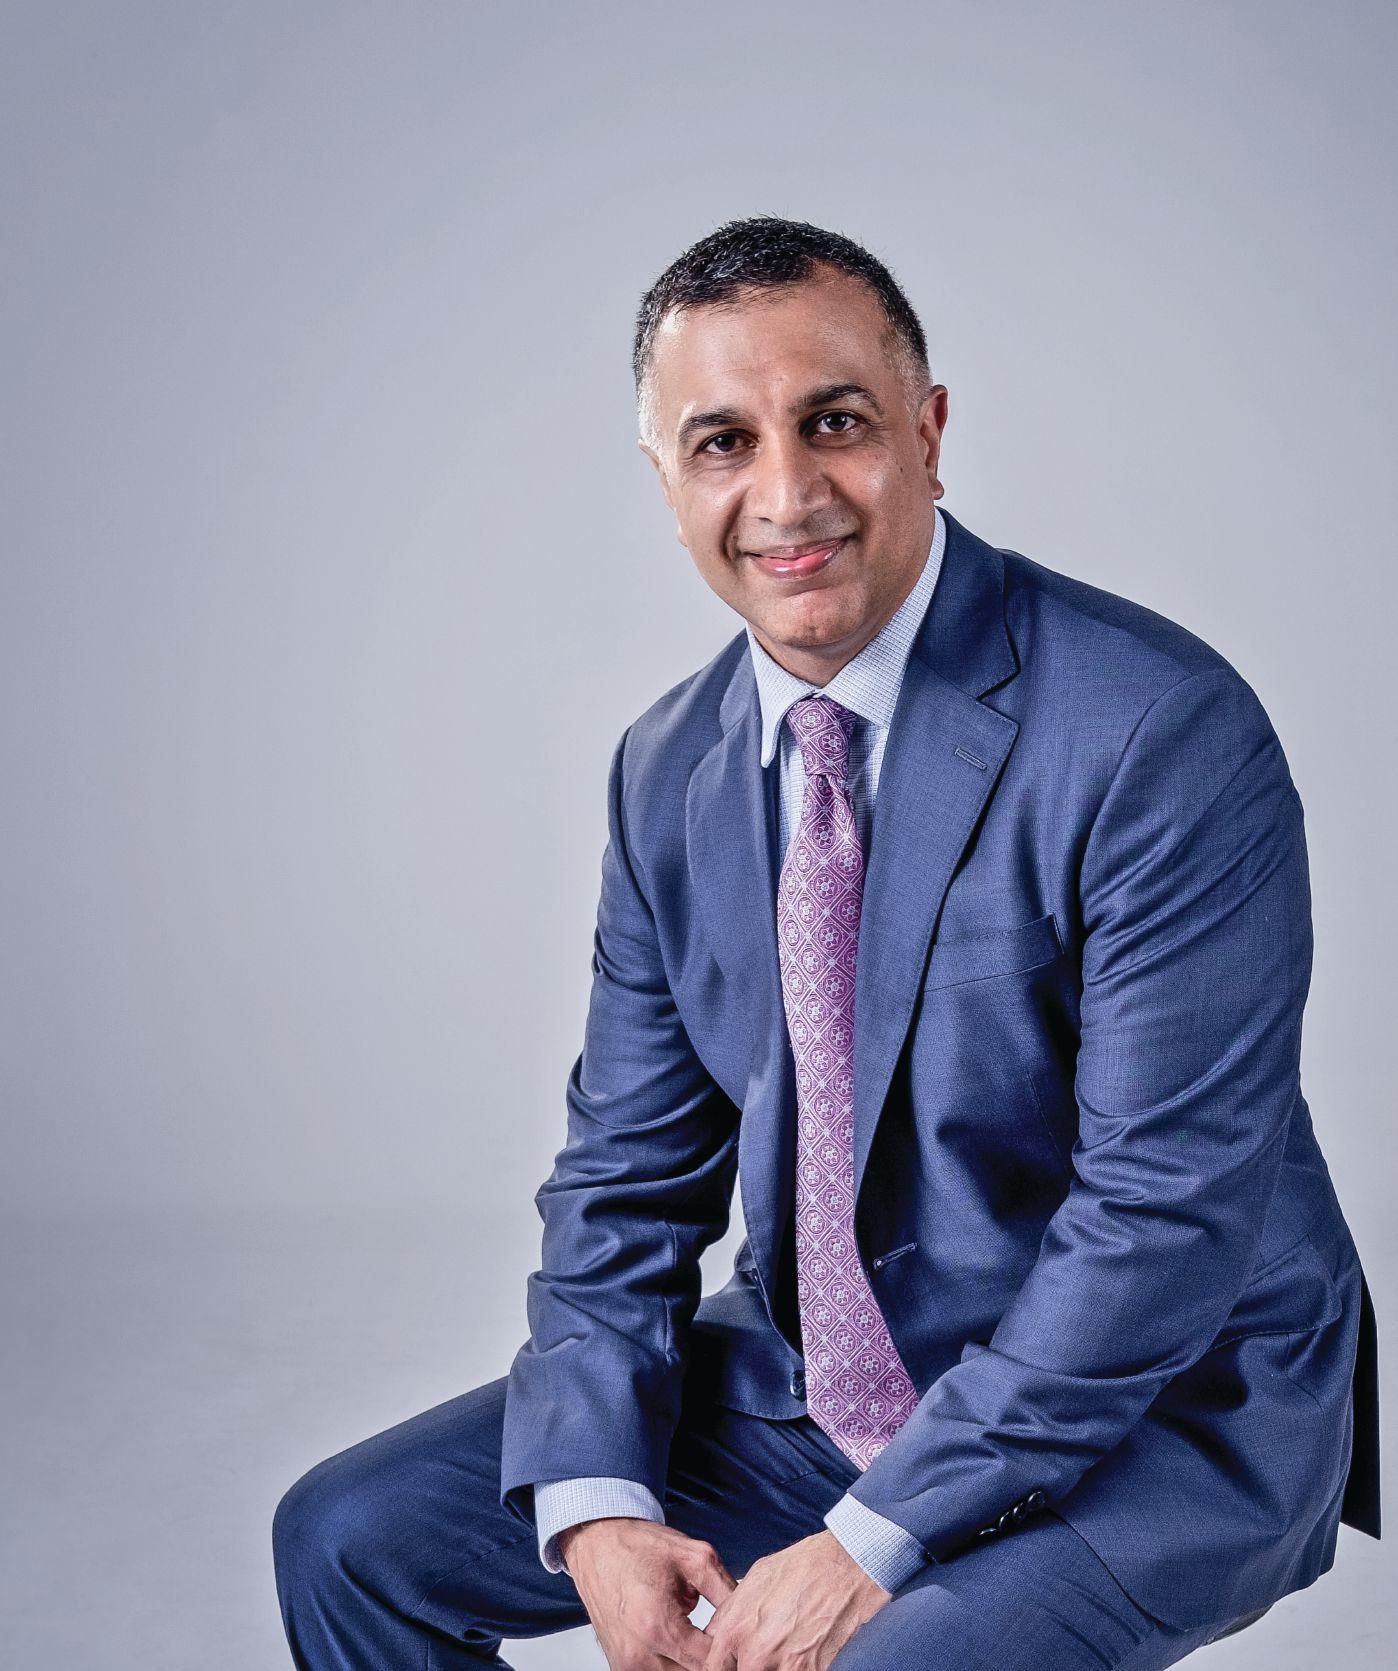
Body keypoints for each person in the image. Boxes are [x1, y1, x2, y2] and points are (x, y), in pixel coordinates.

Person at [272, 216, 1380, 1670]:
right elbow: (624, 1183)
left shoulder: (1154, 730)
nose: (786, 494)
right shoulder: (668, 769)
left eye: (835, 422)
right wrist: (597, 1500)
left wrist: (869, 1541)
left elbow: (1162, 1220)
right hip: (822, 1388)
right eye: (723, 442)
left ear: (928, 432)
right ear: (667, 483)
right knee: (348, 1539)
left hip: (1156, 1411)